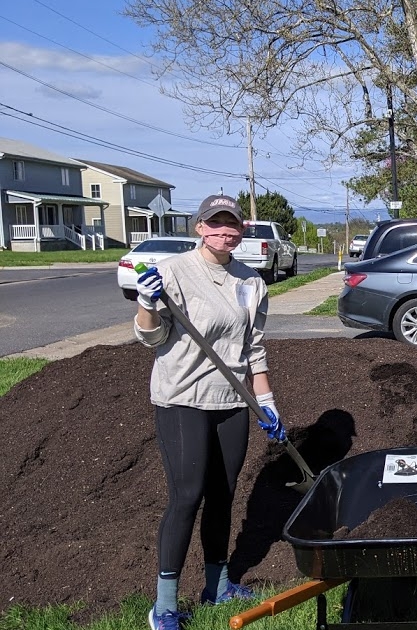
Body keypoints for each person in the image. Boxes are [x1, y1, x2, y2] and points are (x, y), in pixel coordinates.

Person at [134, 194, 286, 630]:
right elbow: (152, 337)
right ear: (199, 227)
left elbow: (253, 348)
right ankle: (164, 606)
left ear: (241, 230)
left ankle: (216, 586)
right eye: (215, 223)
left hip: (233, 401)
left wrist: (266, 400)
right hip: (182, 397)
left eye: (232, 224)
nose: (225, 231)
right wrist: (146, 305)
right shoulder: (173, 272)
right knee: (187, 496)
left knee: (224, 494)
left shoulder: (251, 282)